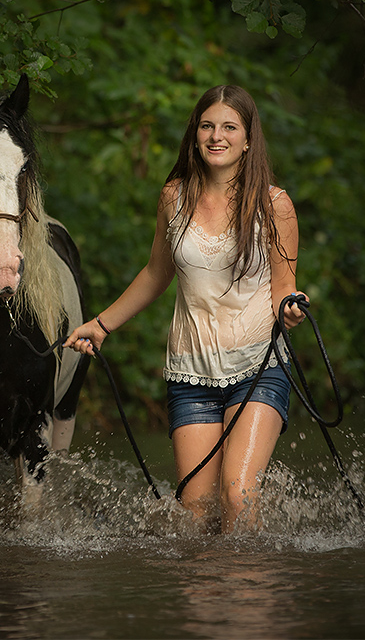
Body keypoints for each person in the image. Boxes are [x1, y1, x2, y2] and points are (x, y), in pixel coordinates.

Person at [64, 84, 308, 533]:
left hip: (258, 365)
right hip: (191, 373)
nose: (217, 136)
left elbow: (283, 286)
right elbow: (157, 273)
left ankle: (251, 593)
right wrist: (102, 325)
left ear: (248, 138)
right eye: (207, 125)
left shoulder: (275, 205)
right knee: (195, 515)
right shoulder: (174, 197)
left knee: (237, 494)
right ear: (195, 134)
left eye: (229, 127)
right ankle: (210, 598)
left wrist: (291, 307)